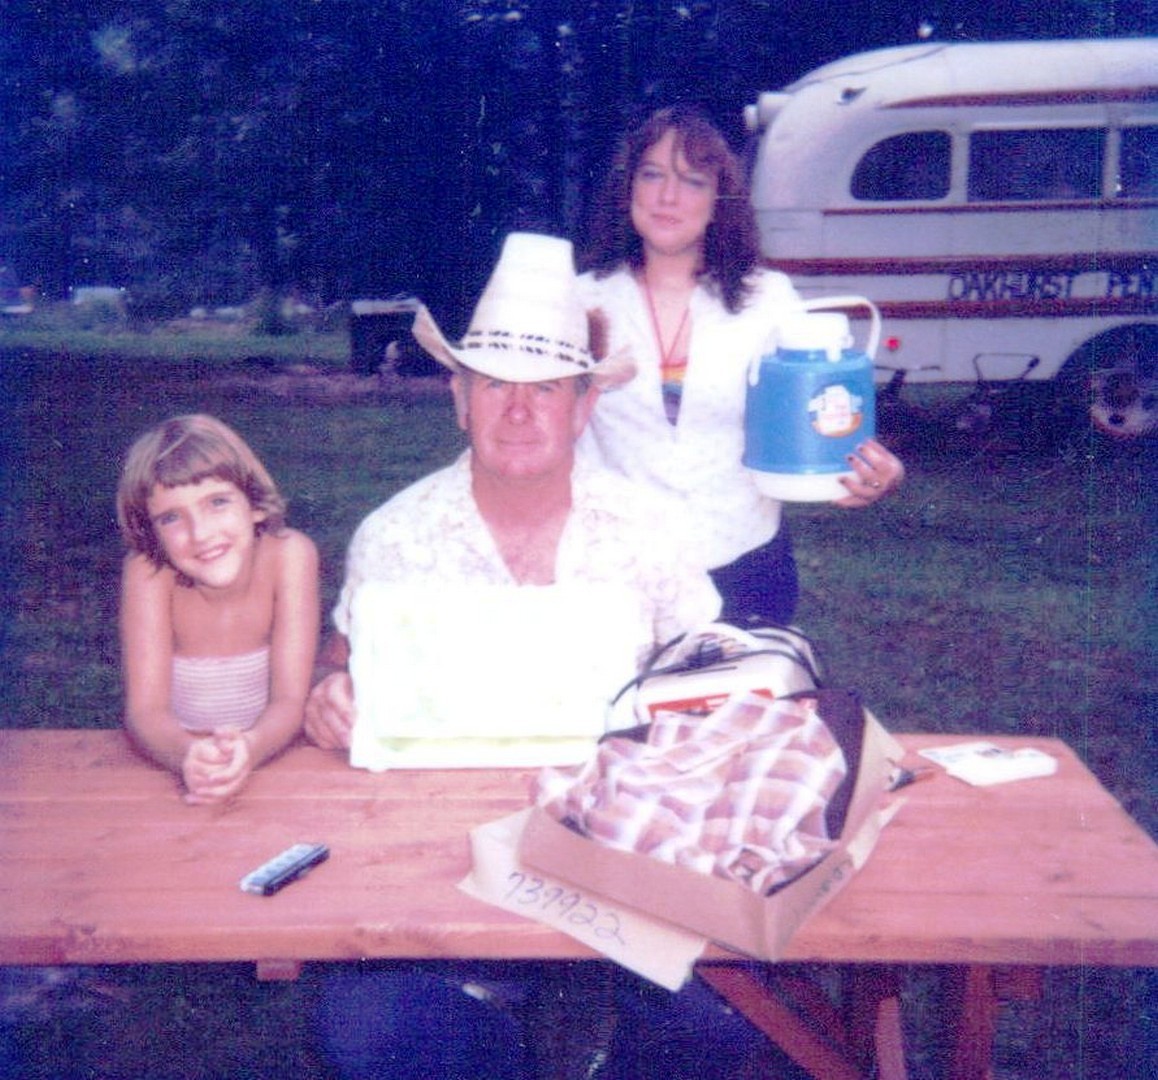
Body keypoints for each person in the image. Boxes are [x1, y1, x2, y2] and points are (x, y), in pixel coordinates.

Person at [305, 234, 796, 1080]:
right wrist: (328, 690)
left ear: (584, 407)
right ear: (459, 398)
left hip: (624, 855)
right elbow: (337, 659)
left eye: (547, 389)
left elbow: (711, 667)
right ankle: (490, 1020)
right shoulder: (393, 535)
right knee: (367, 1029)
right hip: (440, 855)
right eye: (496, 385)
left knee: (726, 1021)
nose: (520, 411)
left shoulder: (647, 530)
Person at [577, 104, 906, 626]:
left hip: (744, 567)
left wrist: (875, 472)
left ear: (719, 201)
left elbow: (823, 416)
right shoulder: (580, 302)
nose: (667, 197)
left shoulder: (769, 300)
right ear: (628, 188)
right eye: (652, 175)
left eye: (692, 181)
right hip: (612, 575)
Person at [117, 414, 319, 805]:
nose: (200, 533)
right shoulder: (148, 573)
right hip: (176, 768)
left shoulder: (290, 556)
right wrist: (188, 755)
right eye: (171, 518)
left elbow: (290, 701)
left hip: (272, 760)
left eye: (217, 503)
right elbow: (145, 712)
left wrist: (251, 748)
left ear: (254, 504)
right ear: (152, 532)